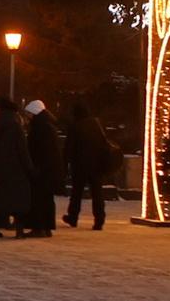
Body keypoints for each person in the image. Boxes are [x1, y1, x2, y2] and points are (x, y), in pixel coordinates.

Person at [0, 98, 41, 238]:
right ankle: (19, 230)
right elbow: (22, 150)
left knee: (1, 198)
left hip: (1, 167)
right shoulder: (16, 125)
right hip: (17, 169)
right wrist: (30, 168)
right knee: (19, 199)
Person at [62, 101, 116, 231]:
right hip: (96, 165)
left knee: (76, 193)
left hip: (80, 165)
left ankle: (73, 217)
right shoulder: (96, 124)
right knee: (97, 193)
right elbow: (104, 143)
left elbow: (69, 148)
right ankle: (99, 220)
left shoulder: (75, 126)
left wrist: (64, 164)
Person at [25, 100, 64, 236]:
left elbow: (38, 151)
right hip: (48, 170)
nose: (27, 117)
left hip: (41, 170)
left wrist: (35, 167)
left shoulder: (39, 128)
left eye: (29, 114)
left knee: (38, 199)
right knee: (46, 199)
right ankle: (46, 227)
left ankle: (38, 227)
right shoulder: (48, 127)